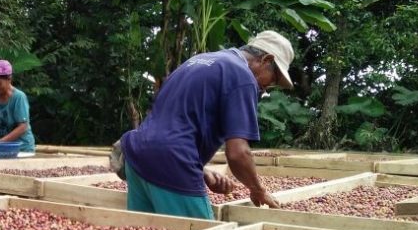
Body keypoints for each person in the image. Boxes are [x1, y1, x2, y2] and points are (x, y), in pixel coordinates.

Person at [121, 31, 295, 219]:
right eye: (273, 80)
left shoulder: (199, 61)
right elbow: (237, 153)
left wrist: (201, 171)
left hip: (137, 155)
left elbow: (172, 126)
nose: (265, 87)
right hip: (173, 161)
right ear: (266, 60)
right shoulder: (243, 76)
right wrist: (258, 190)